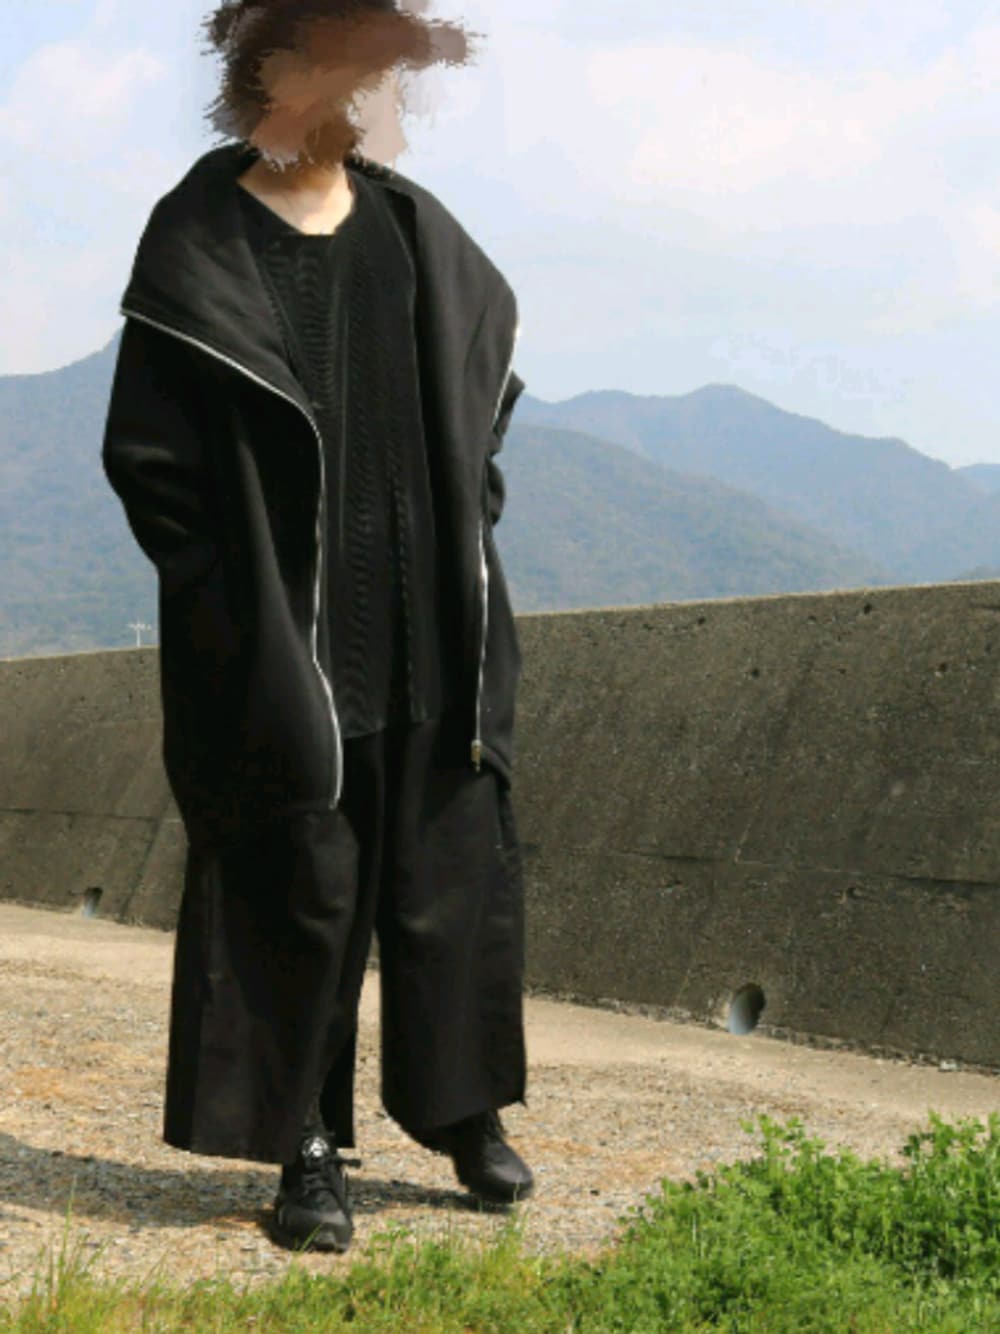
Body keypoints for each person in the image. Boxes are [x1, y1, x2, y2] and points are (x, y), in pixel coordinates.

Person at [101, 0, 532, 1254]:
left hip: (429, 624)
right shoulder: (199, 245)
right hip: (284, 641)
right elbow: (150, 459)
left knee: (452, 872)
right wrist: (225, 598)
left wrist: (468, 530)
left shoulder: (416, 233)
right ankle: (303, 1139)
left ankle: (462, 1107)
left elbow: (484, 400)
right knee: (296, 882)